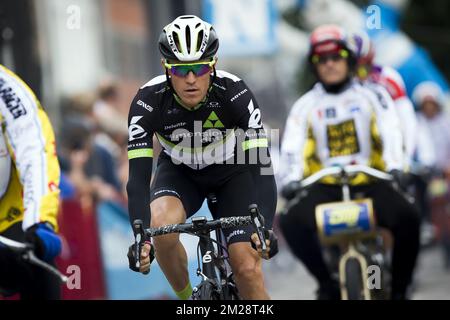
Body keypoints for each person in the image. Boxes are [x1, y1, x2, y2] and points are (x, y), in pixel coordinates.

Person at [126, 15, 277, 300]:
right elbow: (137, 180)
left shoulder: (235, 93)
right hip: (181, 174)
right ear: (166, 69)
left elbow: (261, 165)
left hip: (233, 172)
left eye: (200, 68)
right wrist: (140, 239)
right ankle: (188, 300)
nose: (192, 79)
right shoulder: (147, 101)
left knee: (246, 266)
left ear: (213, 65)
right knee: (160, 228)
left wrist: (265, 225)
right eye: (181, 71)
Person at [278, 25, 420, 300]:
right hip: (326, 187)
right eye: (322, 59)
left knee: (409, 216)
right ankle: (326, 283)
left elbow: (391, 131)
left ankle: (400, 291)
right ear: (314, 65)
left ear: (349, 60)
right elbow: (292, 146)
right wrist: (291, 179)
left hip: (371, 181)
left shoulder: (374, 95)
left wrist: (396, 166)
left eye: (336, 57)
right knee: (290, 220)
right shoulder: (305, 105)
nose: (330, 64)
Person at [0, 64, 62, 299]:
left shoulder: (5, 87)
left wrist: (40, 220)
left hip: (9, 216)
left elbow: (36, 149)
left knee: (41, 270)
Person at [351, 29, 419, 170]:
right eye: (353, 68)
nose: (358, 74)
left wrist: (406, 155)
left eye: (362, 68)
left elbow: (406, 118)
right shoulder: (340, 85)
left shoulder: (388, 78)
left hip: (388, 151)